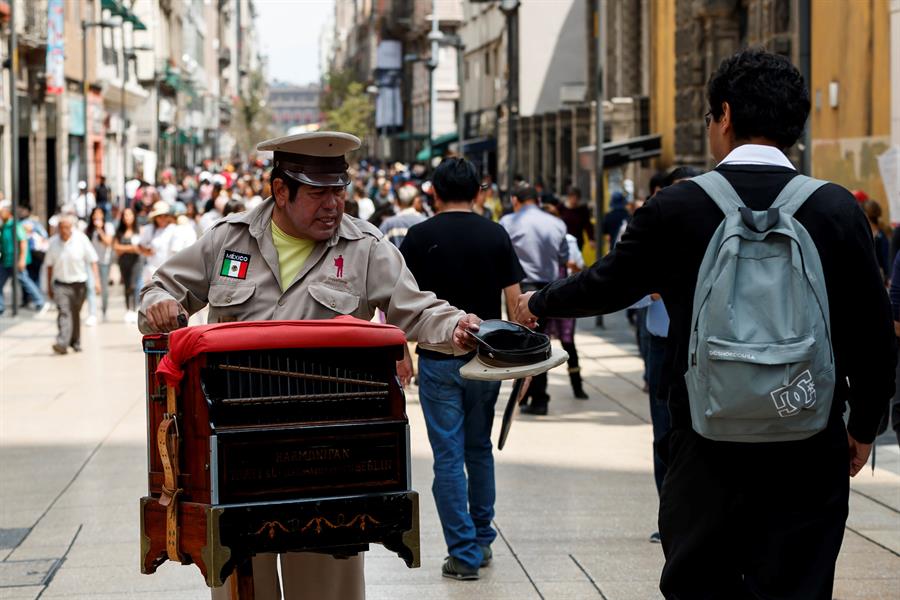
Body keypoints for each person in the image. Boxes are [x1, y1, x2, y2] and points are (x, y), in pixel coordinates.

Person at [514, 49, 895, 599]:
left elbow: (608, 284)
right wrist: (862, 425)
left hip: (704, 439)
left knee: (701, 584)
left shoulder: (678, 208)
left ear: (725, 115)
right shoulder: (836, 210)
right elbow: (873, 332)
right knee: (799, 585)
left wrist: (538, 301)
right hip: (807, 437)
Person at [138, 131, 482, 600]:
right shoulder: (228, 241)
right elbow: (159, 289)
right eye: (319, 192)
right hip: (239, 460)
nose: (333, 204)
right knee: (243, 587)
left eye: (339, 191)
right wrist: (160, 304)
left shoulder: (364, 246)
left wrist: (458, 326)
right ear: (280, 190)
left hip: (328, 459)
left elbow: (417, 310)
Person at [399, 158, 524, 581]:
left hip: (437, 359)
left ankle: (464, 552)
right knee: (480, 449)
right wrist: (524, 364)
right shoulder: (496, 234)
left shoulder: (418, 236)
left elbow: (400, 301)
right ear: (478, 193)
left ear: (433, 192)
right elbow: (516, 305)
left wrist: (402, 353)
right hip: (486, 362)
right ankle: (483, 539)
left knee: (448, 458)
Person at [500, 185, 568, 415]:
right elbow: (563, 257)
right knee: (542, 343)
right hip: (549, 289)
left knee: (521, 345)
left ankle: (525, 395)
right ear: (538, 200)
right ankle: (539, 397)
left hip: (520, 288)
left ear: (515, 200)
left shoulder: (507, 222)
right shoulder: (557, 223)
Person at [45, 215, 101, 354]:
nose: (63, 230)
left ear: (71, 228)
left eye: (66, 227)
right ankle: (62, 342)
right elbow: (49, 266)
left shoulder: (81, 239)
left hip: (79, 283)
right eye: (61, 227)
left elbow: (93, 260)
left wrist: (97, 281)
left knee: (75, 313)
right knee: (64, 312)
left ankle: (75, 342)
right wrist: (49, 287)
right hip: (60, 284)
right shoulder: (53, 243)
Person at [0, 200, 45, 315]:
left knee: (25, 281)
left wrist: (22, 259)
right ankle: (0, 306)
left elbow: (23, 242)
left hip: (15, 260)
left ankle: (40, 302)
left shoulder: (16, 225)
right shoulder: (4, 226)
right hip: (6, 260)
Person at [85, 207, 115, 322]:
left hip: (104, 262)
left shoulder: (108, 227)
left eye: (99, 214)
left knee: (104, 288)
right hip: (91, 262)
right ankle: (92, 313)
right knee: (91, 287)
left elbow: (108, 242)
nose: (97, 216)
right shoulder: (88, 229)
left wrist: (100, 230)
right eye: (95, 214)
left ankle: (104, 310)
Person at [114, 207, 142, 323]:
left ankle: (135, 308)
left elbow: (139, 249)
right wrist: (131, 248)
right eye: (125, 215)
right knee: (126, 286)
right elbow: (116, 248)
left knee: (134, 285)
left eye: (130, 215)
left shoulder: (139, 230)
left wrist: (124, 248)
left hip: (136, 261)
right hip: (123, 262)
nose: (127, 217)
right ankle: (128, 309)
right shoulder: (119, 232)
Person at [557, 186, 595, 251]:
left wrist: (591, 239)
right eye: (572, 197)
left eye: (576, 198)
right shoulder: (561, 208)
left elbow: (587, 225)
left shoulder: (582, 210)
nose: (574, 200)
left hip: (578, 241)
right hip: (564, 241)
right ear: (568, 197)